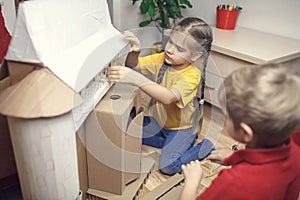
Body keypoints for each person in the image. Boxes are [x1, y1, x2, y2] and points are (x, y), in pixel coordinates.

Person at [107, 17, 214, 175]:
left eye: (179, 48)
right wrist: (135, 50)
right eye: (170, 42)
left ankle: (205, 146)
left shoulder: (192, 76)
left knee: (168, 167)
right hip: (160, 122)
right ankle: (167, 143)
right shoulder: (163, 57)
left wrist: (135, 79)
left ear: (195, 55)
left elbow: (168, 97)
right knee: (127, 130)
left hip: (181, 129)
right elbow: (133, 66)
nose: (170, 50)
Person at [180, 64, 300, 199]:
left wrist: (192, 183)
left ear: (245, 132)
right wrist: (237, 156)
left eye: (227, 116)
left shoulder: (233, 183)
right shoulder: (296, 152)